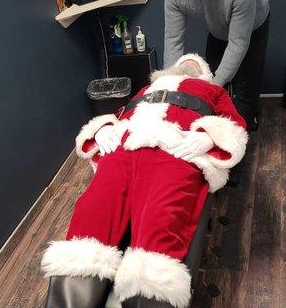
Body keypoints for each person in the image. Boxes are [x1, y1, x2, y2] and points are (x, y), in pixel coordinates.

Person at [41, 54, 248, 308]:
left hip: (174, 147)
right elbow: (117, 116)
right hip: (124, 146)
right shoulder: (146, 88)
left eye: (196, 62)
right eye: (185, 59)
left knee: (161, 219)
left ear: (204, 74)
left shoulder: (213, 91)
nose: (189, 61)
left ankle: (145, 299)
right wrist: (103, 128)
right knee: (93, 212)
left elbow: (235, 124)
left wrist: (209, 136)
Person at [164, 0, 270, 132]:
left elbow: (238, 43)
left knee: (244, 95)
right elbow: (173, 40)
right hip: (217, 27)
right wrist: (170, 85)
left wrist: (212, 88)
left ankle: (249, 121)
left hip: (253, 26)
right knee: (210, 78)